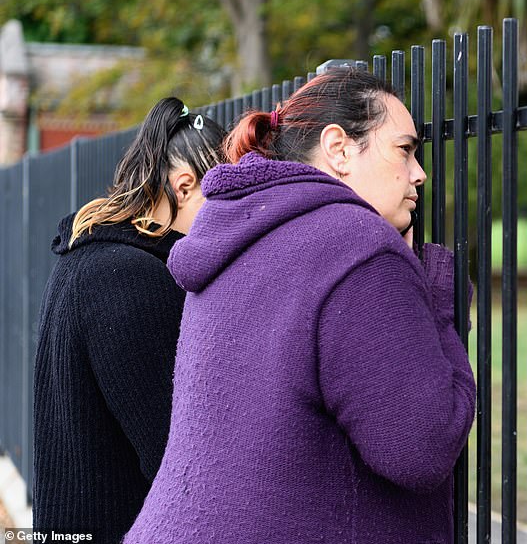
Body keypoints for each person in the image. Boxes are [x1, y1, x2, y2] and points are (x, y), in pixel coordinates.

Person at [124, 69, 475, 544]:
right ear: (339, 148)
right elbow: (421, 446)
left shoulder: (238, 234)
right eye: (405, 150)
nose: (420, 173)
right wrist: (435, 290)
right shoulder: (356, 244)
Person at [32, 98, 226, 542]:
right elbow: (176, 462)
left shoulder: (93, 259)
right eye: (226, 197)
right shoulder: (127, 280)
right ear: (184, 186)